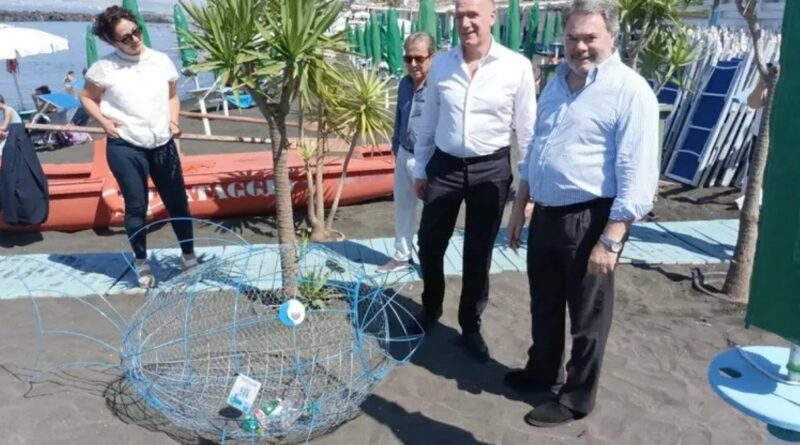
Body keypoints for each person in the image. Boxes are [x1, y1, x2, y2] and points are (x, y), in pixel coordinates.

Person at [505, 0, 659, 427]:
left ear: (611, 36)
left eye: (590, 38)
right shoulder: (556, 83)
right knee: (545, 303)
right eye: (573, 37)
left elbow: (639, 171)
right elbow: (536, 150)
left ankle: (576, 398)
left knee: (588, 317)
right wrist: (520, 206)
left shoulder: (629, 90)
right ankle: (542, 372)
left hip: (592, 218)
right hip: (547, 214)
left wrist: (612, 237)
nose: (580, 47)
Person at [411, 0, 536, 363]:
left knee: (477, 253)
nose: (466, 23)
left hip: (491, 169)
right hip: (445, 166)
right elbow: (428, 123)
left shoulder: (517, 68)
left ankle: (470, 324)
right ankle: (431, 307)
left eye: (473, 15)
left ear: (492, 17)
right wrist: (421, 169)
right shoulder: (443, 66)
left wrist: (529, 192)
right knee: (429, 242)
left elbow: (527, 135)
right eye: (460, 15)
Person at [80, 6, 197, 288]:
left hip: (161, 141)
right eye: (125, 37)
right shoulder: (103, 68)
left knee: (178, 202)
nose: (134, 39)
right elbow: (86, 98)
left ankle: (189, 256)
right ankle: (142, 264)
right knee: (136, 206)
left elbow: (172, 96)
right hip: (126, 145)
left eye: (136, 31)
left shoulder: (160, 61)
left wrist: (174, 120)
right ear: (111, 41)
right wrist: (104, 123)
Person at [377, 32, 435, 273]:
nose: (413, 64)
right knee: (403, 208)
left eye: (419, 58)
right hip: (404, 152)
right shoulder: (404, 84)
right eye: (408, 58)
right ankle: (402, 255)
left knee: (430, 213)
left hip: (429, 159)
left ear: (432, 57)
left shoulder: (438, 88)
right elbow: (399, 117)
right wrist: (395, 147)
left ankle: (430, 259)